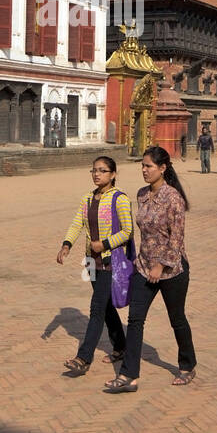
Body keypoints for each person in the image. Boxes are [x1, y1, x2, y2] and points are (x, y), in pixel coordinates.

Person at [105, 146, 196, 393]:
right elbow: (140, 232)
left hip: (172, 270)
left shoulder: (173, 198)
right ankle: (129, 375)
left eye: (149, 166)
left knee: (177, 319)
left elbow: (176, 239)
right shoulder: (142, 194)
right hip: (143, 268)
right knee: (135, 319)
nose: (144, 170)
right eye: (142, 166)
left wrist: (160, 265)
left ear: (163, 168)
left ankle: (188, 365)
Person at [58, 156, 134, 376]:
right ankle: (121, 345)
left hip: (110, 261)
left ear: (113, 174)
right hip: (91, 260)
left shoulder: (119, 199)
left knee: (96, 308)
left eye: (102, 170)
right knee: (106, 305)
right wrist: (66, 245)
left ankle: (83, 358)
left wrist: (105, 244)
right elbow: (77, 223)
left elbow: (127, 232)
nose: (97, 174)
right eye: (94, 170)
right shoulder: (87, 199)